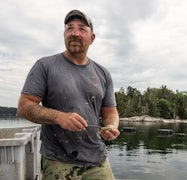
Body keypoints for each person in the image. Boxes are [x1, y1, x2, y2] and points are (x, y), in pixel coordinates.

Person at [17, 9, 120, 180]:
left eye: (81, 29)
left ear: (92, 38)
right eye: (69, 28)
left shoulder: (103, 73)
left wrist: (111, 126)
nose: (75, 33)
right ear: (64, 34)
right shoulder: (45, 66)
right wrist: (59, 117)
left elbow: (110, 112)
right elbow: (24, 106)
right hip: (58, 161)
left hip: (97, 160)